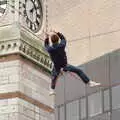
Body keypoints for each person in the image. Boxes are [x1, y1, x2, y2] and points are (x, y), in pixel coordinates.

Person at [44, 31, 100, 95]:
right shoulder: (61, 45)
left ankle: (52, 90)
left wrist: (46, 38)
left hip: (57, 67)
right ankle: (89, 82)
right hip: (65, 65)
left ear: (52, 41)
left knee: (54, 77)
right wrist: (57, 33)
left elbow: (46, 45)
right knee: (79, 71)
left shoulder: (50, 49)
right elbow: (63, 39)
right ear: (57, 40)